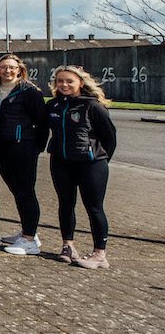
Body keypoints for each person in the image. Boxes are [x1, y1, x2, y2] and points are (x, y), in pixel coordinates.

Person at [47, 65, 117, 269]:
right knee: (65, 204)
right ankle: (67, 246)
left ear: (81, 82)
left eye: (69, 81)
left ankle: (100, 254)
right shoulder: (53, 105)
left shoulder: (93, 106)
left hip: (91, 164)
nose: (64, 84)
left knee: (94, 207)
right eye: (60, 81)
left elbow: (109, 138)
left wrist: (99, 158)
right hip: (61, 162)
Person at [0, 53, 49, 256]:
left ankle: (31, 240)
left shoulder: (29, 92)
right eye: (3, 67)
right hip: (2, 148)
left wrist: (35, 148)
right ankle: (26, 232)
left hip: (23, 147)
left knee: (26, 192)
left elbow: (42, 124)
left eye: (12, 67)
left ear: (19, 70)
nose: (7, 71)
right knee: (16, 191)